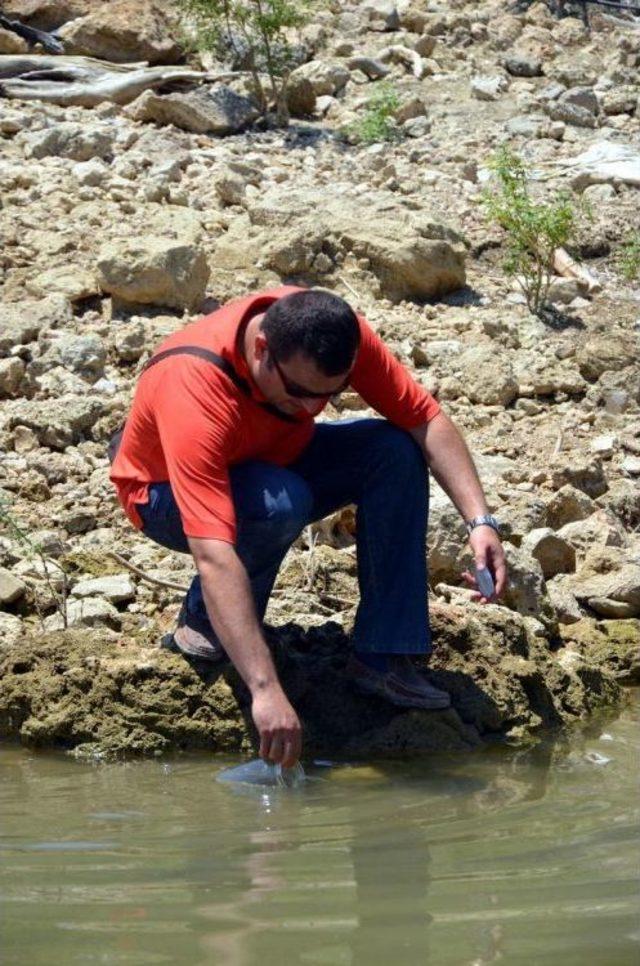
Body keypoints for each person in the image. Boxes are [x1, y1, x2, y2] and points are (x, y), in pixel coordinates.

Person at [110, 286, 507, 768]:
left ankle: (384, 655)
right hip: (162, 492)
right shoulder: (193, 384)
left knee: (393, 450)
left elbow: (424, 419)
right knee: (279, 503)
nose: (311, 408)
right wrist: (266, 690)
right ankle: (205, 624)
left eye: (329, 395)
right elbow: (213, 554)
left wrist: (481, 523)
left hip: (272, 458)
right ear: (262, 350)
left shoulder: (334, 333)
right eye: (299, 393)